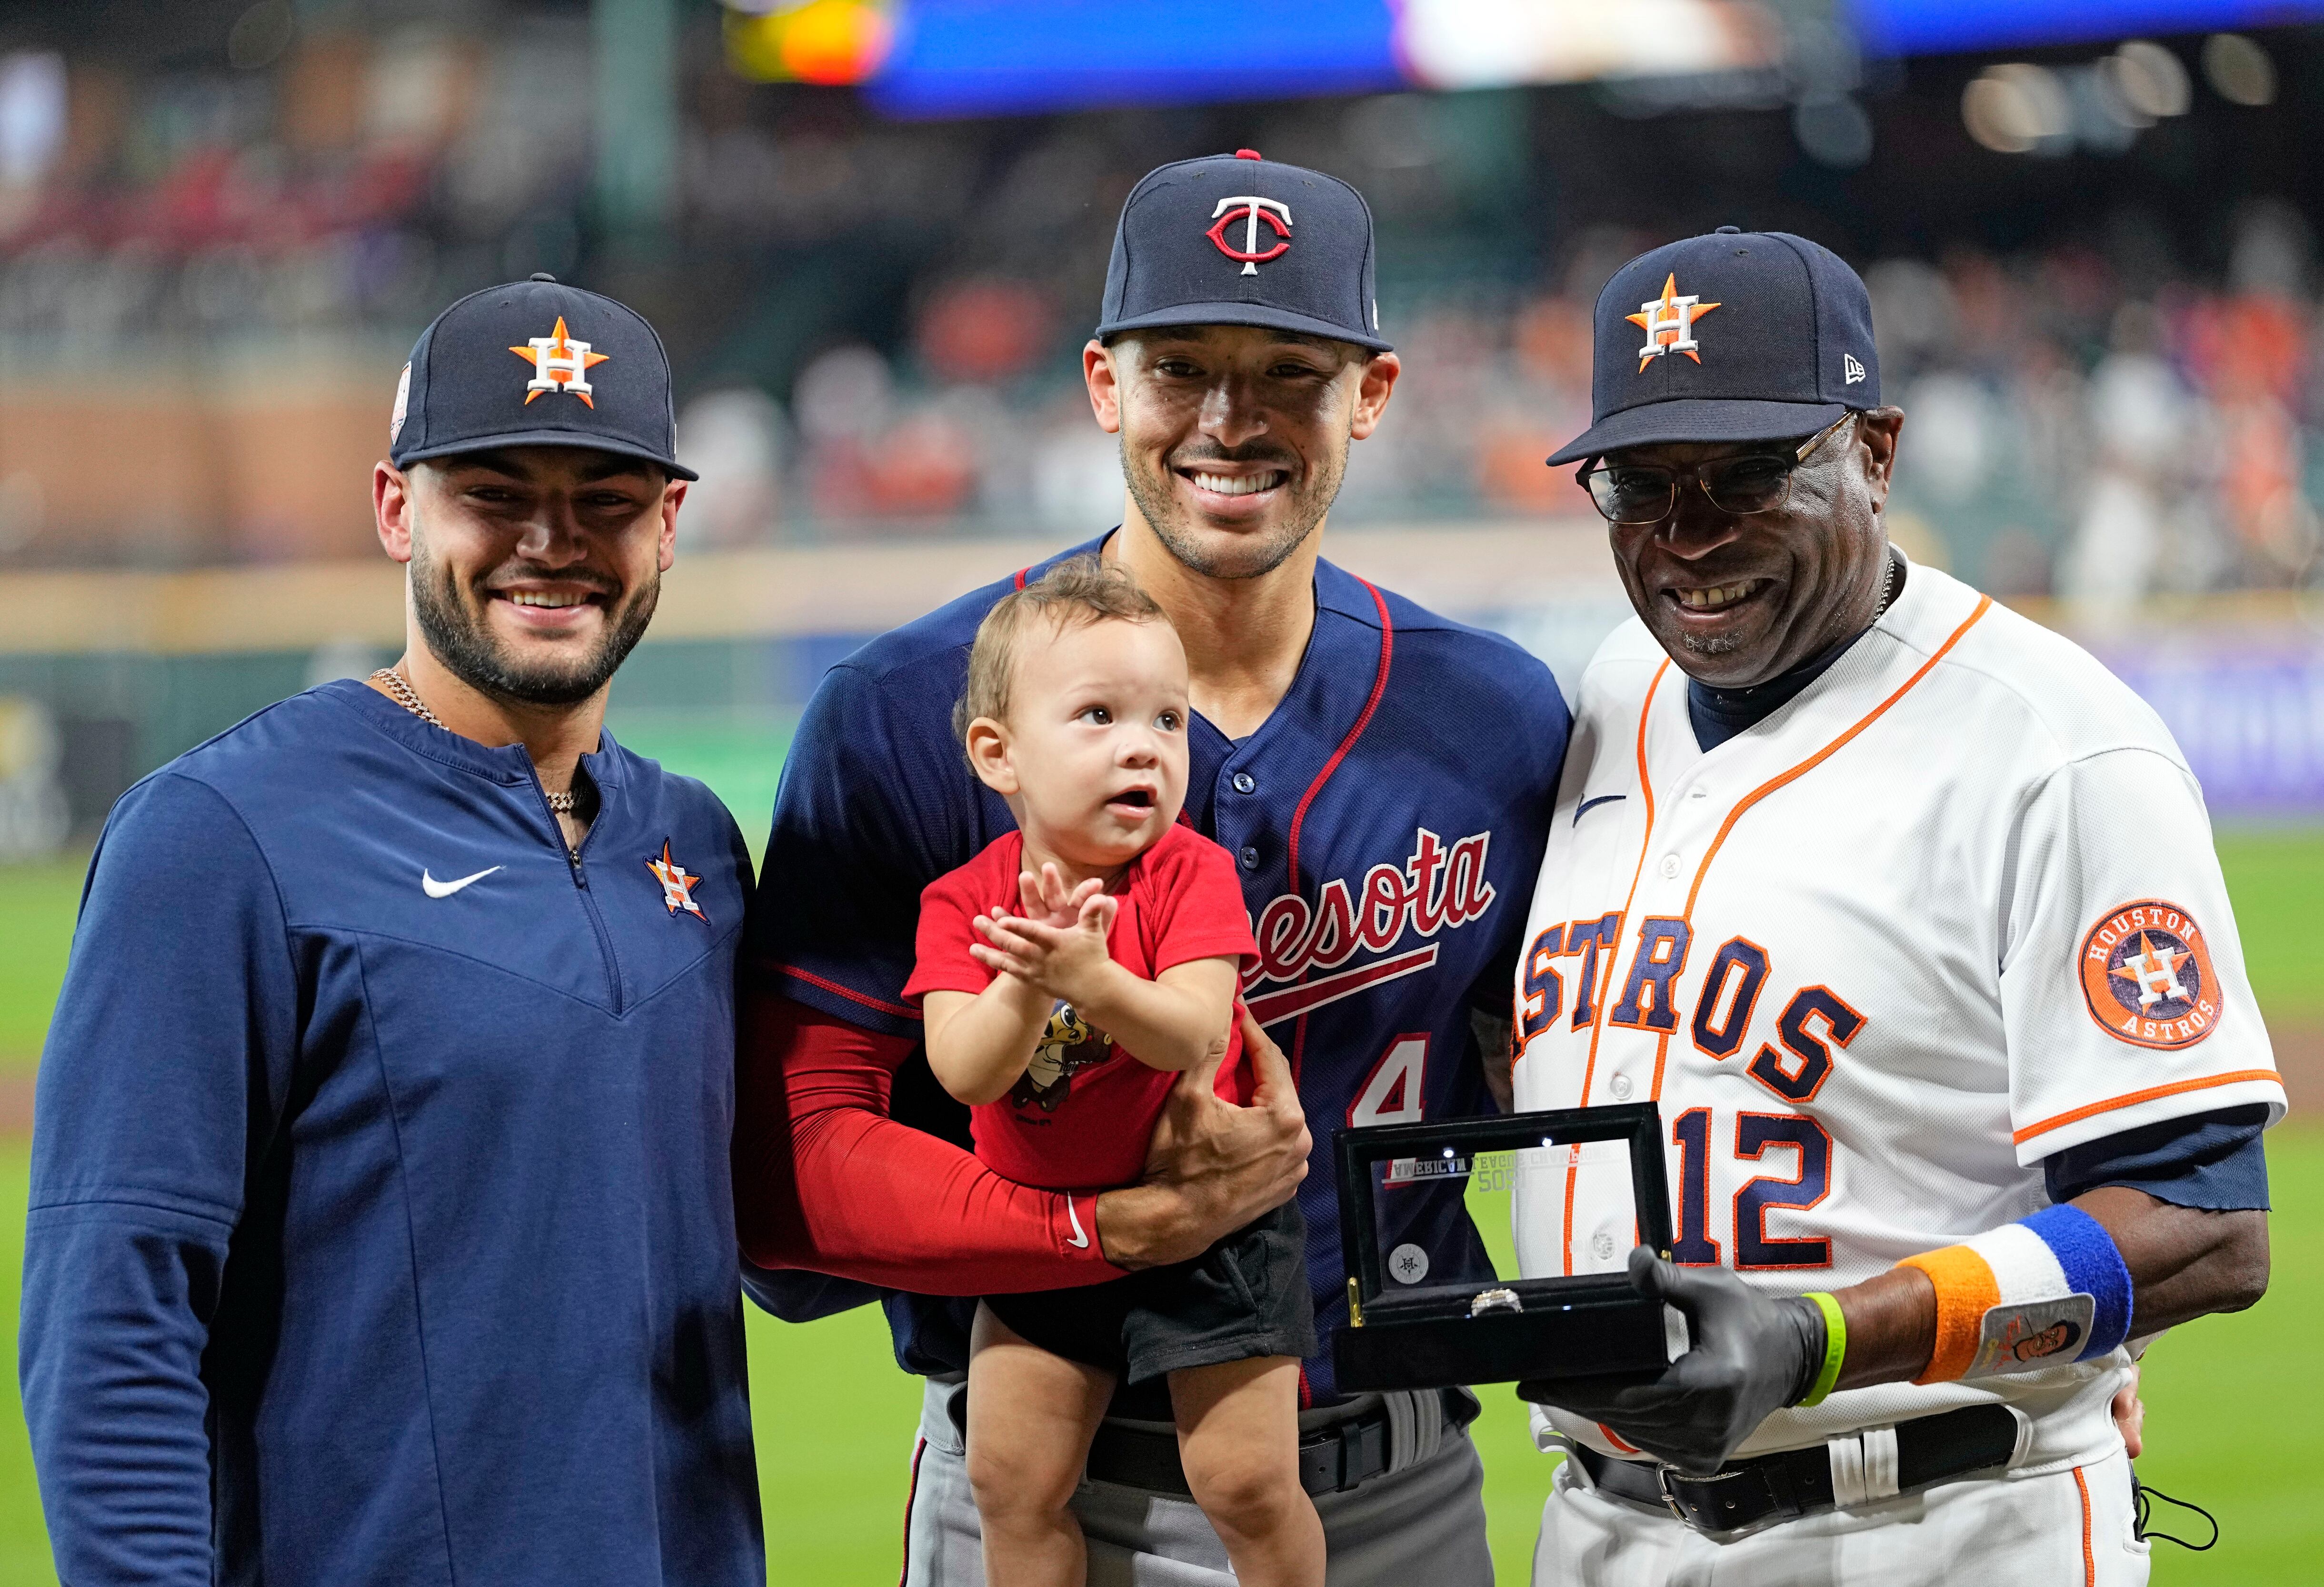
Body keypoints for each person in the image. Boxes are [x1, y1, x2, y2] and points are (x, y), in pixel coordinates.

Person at [734, 150, 1570, 1585]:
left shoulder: (1494, 717)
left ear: (1371, 393)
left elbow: (1563, 1073)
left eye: (1289, 372)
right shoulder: (909, 710)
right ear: (1104, 384)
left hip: (1394, 1488)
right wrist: (1095, 1226)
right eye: (1180, 364)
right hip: (1044, 1483)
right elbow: (785, 1187)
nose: (1230, 421)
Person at [1505, 228, 2282, 1585]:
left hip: (1931, 1525)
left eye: (1748, 472)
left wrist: (1826, 1335)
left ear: (1875, 450)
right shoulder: (1608, 697)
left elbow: (2204, 1220)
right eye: (1640, 481)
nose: (1688, 533)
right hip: (1603, 1525)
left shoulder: (2056, 747)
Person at [20, 275, 766, 1586]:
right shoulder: (219, 834)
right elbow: (111, 1321)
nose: (554, 539)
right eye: (494, 493)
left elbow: (796, 1246)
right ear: (394, 509)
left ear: (670, 525)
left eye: (605, 498)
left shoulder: (694, 844)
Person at [913, 556, 1318, 1586]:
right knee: (1010, 1476)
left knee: (1246, 1480)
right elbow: (964, 1071)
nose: (1144, 744)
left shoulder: (1191, 871)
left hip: (1212, 1230)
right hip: (1044, 1231)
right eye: (1098, 715)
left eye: (1169, 721)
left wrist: (1089, 977)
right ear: (998, 753)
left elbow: (1189, 1031)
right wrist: (1028, 981)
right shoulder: (964, 901)